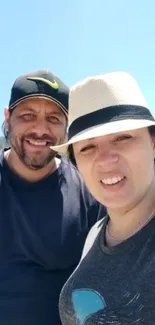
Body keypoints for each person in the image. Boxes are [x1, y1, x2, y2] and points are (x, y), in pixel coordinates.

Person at [0, 70, 105, 325]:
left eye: (54, 118)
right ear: (8, 118)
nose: (40, 129)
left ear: (67, 126)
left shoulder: (89, 191)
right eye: (27, 115)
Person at [52, 72, 155, 325]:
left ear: (152, 143)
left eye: (122, 137)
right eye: (87, 147)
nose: (106, 159)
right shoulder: (96, 233)